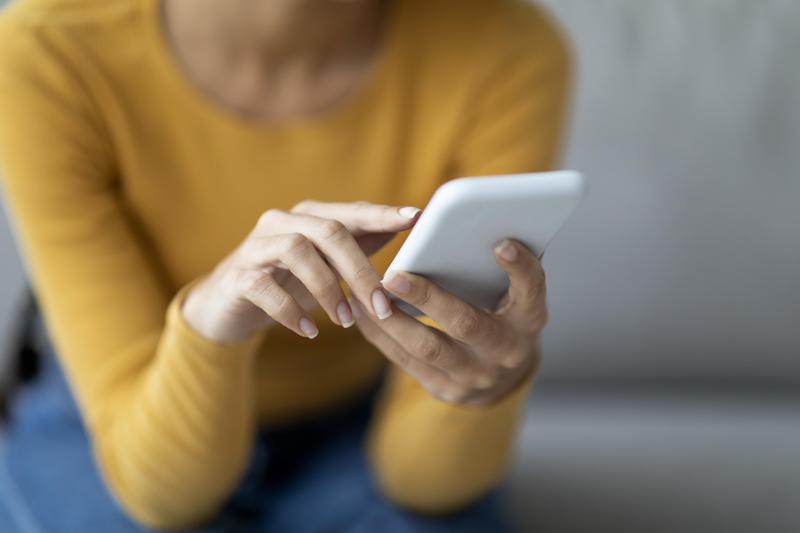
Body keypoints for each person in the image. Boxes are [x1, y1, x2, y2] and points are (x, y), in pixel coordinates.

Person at [0, 0, 570, 530]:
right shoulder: (47, 53)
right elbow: (160, 494)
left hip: (360, 420)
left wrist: (482, 384)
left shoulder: (506, 48)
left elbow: (422, 484)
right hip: (123, 417)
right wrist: (209, 327)